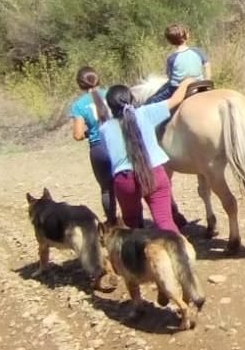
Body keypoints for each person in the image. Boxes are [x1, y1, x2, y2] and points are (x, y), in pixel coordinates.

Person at [99, 78, 203, 233]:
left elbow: (108, 155)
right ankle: (180, 253)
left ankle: (138, 254)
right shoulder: (147, 112)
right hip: (155, 173)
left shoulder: (105, 129)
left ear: (110, 106)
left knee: (131, 224)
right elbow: (176, 99)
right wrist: (186, 82)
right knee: (165, 221)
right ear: (131, 98)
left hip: (125, 180)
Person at [67, 66, 117, 225]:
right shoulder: (111, 94)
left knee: (107, 189)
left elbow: (77, 135)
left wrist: (89, 133)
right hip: (118, 142)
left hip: (99, 147)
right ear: (98, 79)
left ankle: (112, 222)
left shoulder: (79, 105)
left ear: (80, 85)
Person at [148, 24, 211, 104]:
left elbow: (169, 75)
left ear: (170, 42)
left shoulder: (172, 58)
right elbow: (207, 65)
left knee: (153, 101)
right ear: (187, 36)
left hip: (177, 88)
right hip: (199, 84)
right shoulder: (197, 51)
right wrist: (207, 81)